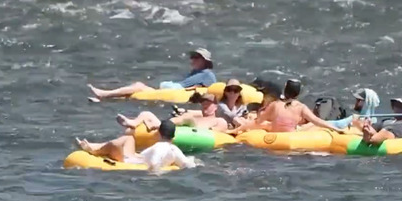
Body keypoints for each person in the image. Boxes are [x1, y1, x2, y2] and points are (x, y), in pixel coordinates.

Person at [87, 48, 217, 100]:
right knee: (137, 89)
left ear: (205, 61)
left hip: (177, 92)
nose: (192, 59)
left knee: (139, 86)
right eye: (192, 57)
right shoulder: (195, 72)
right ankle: (105, 97)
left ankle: (104, 94)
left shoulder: (208, 74)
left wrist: (191, 90)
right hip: (174, 91)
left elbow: (209, 90)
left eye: (196, 57)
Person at [74, 120, 197, 171]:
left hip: (130, 161)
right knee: (128, 139)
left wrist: (157, 173)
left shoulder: (160, 147)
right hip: (135, 157)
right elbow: (186, 164)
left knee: (116, 144)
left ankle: (93, 150)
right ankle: (94, 146)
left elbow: (154, 164)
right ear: (173, 137)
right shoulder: (174, 149)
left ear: (159, 134)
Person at [232, 79, 343, 134]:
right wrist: (335, 129)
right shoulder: (301, 107)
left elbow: (257, 122)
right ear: (298, 93)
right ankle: (340, 124)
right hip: (290, 135)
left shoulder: (275, 105)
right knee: (313, 125)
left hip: (275, 135)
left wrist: (237, 129)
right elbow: (317, 121)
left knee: (265, 124)